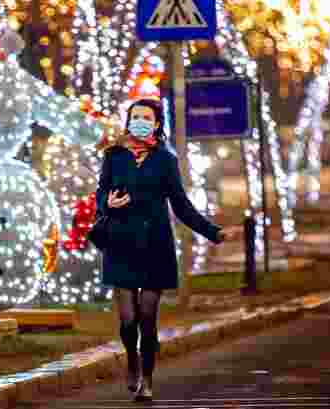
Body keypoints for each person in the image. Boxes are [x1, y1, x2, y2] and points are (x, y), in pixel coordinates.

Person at [95, 98, 238, 401]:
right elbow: (101, 192)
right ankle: (132, 359)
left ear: (157, 123)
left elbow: (181, 205)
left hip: (155, 245)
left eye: (146, 117)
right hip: (120, 244)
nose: (140, 121)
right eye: (135, 116)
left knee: (147, 318)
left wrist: (213, 232)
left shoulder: (165, 160)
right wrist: (107, 202)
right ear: (128, 121)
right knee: (128, 320)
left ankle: (147, 380)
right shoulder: (113, 156)